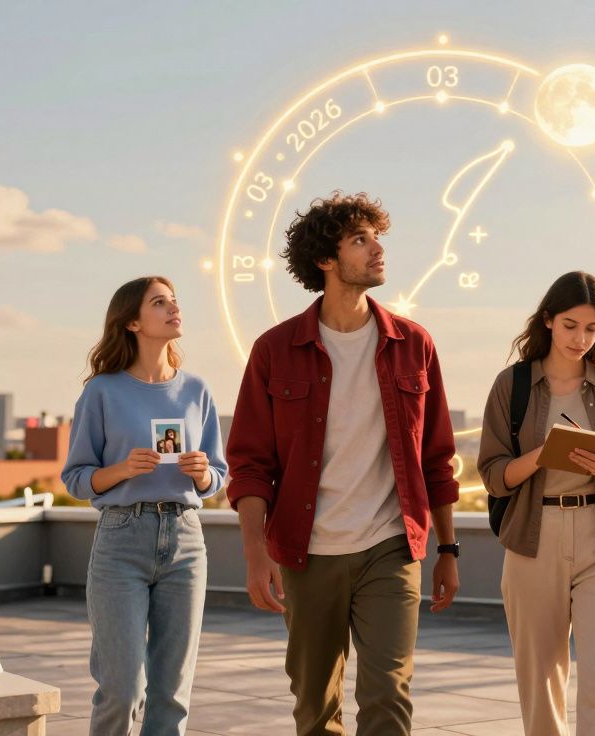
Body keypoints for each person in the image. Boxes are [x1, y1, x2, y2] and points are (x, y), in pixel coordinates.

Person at [225, 191, 461, 735]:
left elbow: (437, 458)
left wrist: (447, 549)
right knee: (315, 707)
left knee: (388, 697)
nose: (378, 249)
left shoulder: (413, 344)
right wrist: (256, 553)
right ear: (326, 261)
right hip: (307, 553)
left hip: (391, 546)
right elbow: (250, 462)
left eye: (377, 237)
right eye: (361, 239)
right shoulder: (274, 350)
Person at [477, 271, 595, 735]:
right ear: (549, 321)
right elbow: (494, 476)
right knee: (541, 682)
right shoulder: (511, 386)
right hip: (534, 543)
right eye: (571, 325)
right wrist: (540, 456)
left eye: (592, 329)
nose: (581, 338)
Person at [61, 276, 228, 734]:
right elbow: (76, 479)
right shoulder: (102, 391)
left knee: (172, 694)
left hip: (186, 540)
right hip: (121, 539)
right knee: (123, 688)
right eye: (160, 303)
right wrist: (122, 469)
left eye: (174, 301)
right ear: (132, 321)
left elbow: (218, 474)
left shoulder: (197, 390)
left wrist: (202, 473)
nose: (174, 309)